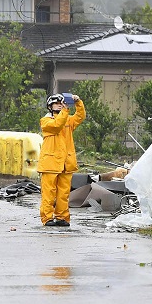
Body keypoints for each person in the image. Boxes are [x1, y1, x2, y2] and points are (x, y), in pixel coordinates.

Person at [37, 93, 86, 227]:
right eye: (56, 103)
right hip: (50, 164)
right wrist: (65, 111)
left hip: (66, 164)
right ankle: (47, 219)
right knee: (49, 194)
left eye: (61, 102)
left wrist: (78, 102)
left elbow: (80, 116)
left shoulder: (68, 120)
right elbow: (57, 125)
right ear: (50, 106)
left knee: (63, 194)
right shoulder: (46, 121)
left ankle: (62, 217)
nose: (59, 104)